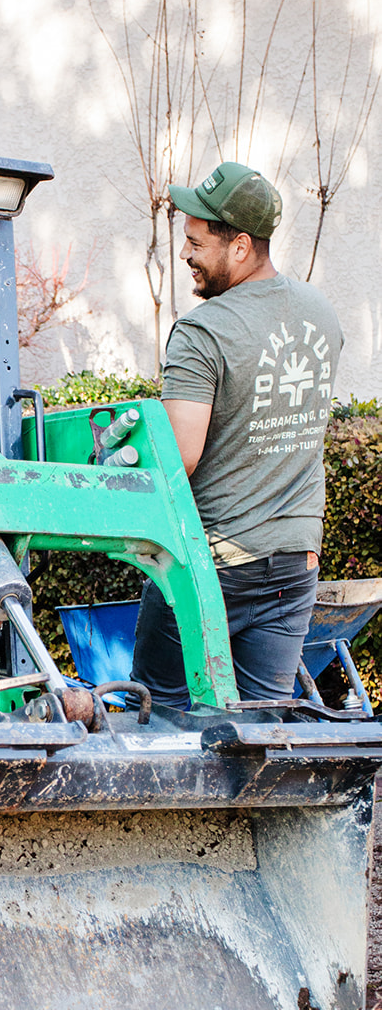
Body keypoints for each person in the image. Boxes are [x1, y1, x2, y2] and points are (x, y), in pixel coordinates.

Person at [131, 161, 341, 708]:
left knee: (159, 719)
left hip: (212, 566)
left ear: (241, 246)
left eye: (197, 243)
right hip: (294, 560)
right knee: (261, 729)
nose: (185, 254)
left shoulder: (203, 331)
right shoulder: (321, 314)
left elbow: (178, 457)